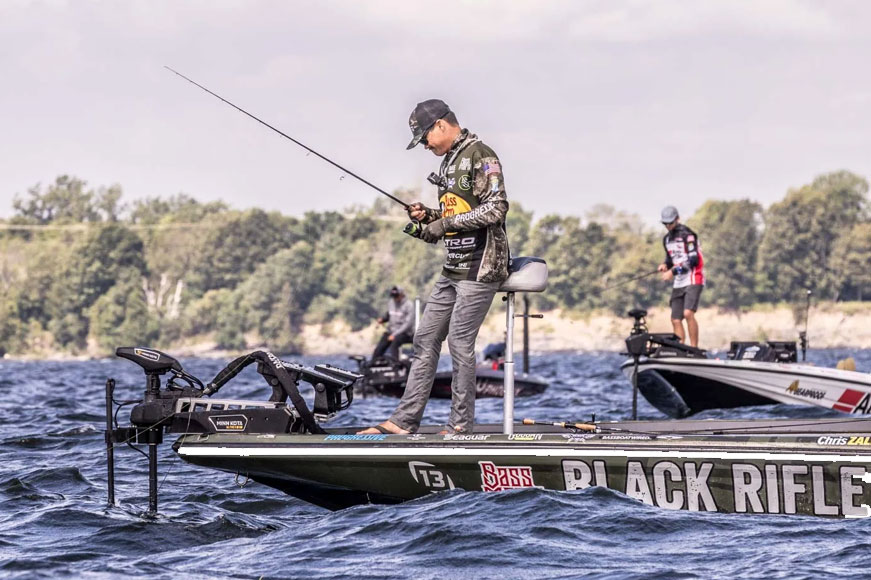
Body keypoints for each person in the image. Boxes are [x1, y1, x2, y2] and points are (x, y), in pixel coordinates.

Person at [359, 99, 509, 435]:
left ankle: (459, 426)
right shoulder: (447, 164)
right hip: (453, 267)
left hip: (481, 266)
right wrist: (429, 218)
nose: (425, 145)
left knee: (459, 343)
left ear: (441, 125)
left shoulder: (480, 155)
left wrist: (444, 223)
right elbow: (449, 222)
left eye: (425, 137)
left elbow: (496, 209)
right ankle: (403, 421)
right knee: (425, 340)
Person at [657, 205, 705, 348]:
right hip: (679, 282)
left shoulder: (688, 235)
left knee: (688, 313)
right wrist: (665, 265)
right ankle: (680, 347)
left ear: (677, 219)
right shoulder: (666, 239)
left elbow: (693, 260)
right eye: (665, 223)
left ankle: (694, 348)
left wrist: (672, 272)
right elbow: (670, 259)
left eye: (670, 223)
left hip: (693, 277)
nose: (668, 226)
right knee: (675, 319)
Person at [371, 286, 415, 362]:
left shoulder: (409, 305)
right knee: (379, 347)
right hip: (391, 332)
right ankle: (373, 365)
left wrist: (394, 335)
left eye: (396, 296)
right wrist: (383, 319)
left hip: (405, 333)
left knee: (395, 343)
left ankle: (396, 365)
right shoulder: (391, 303)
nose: (395, 298)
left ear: (401, 294)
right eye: (393, 296)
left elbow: (408, 325)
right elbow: (389, 315)